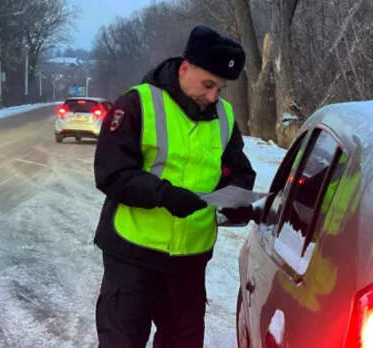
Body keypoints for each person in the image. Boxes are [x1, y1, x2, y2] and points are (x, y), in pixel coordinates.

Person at [93, 25, 256, 348]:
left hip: (189, 262)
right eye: (208, 84)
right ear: (185, 68)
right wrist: (163, 195)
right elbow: (111, 173)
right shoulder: (137, 103)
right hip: (133, 255)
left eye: (220, 89)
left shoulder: (223, 115)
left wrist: (235, 198)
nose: (213, 96)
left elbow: (239, 171)